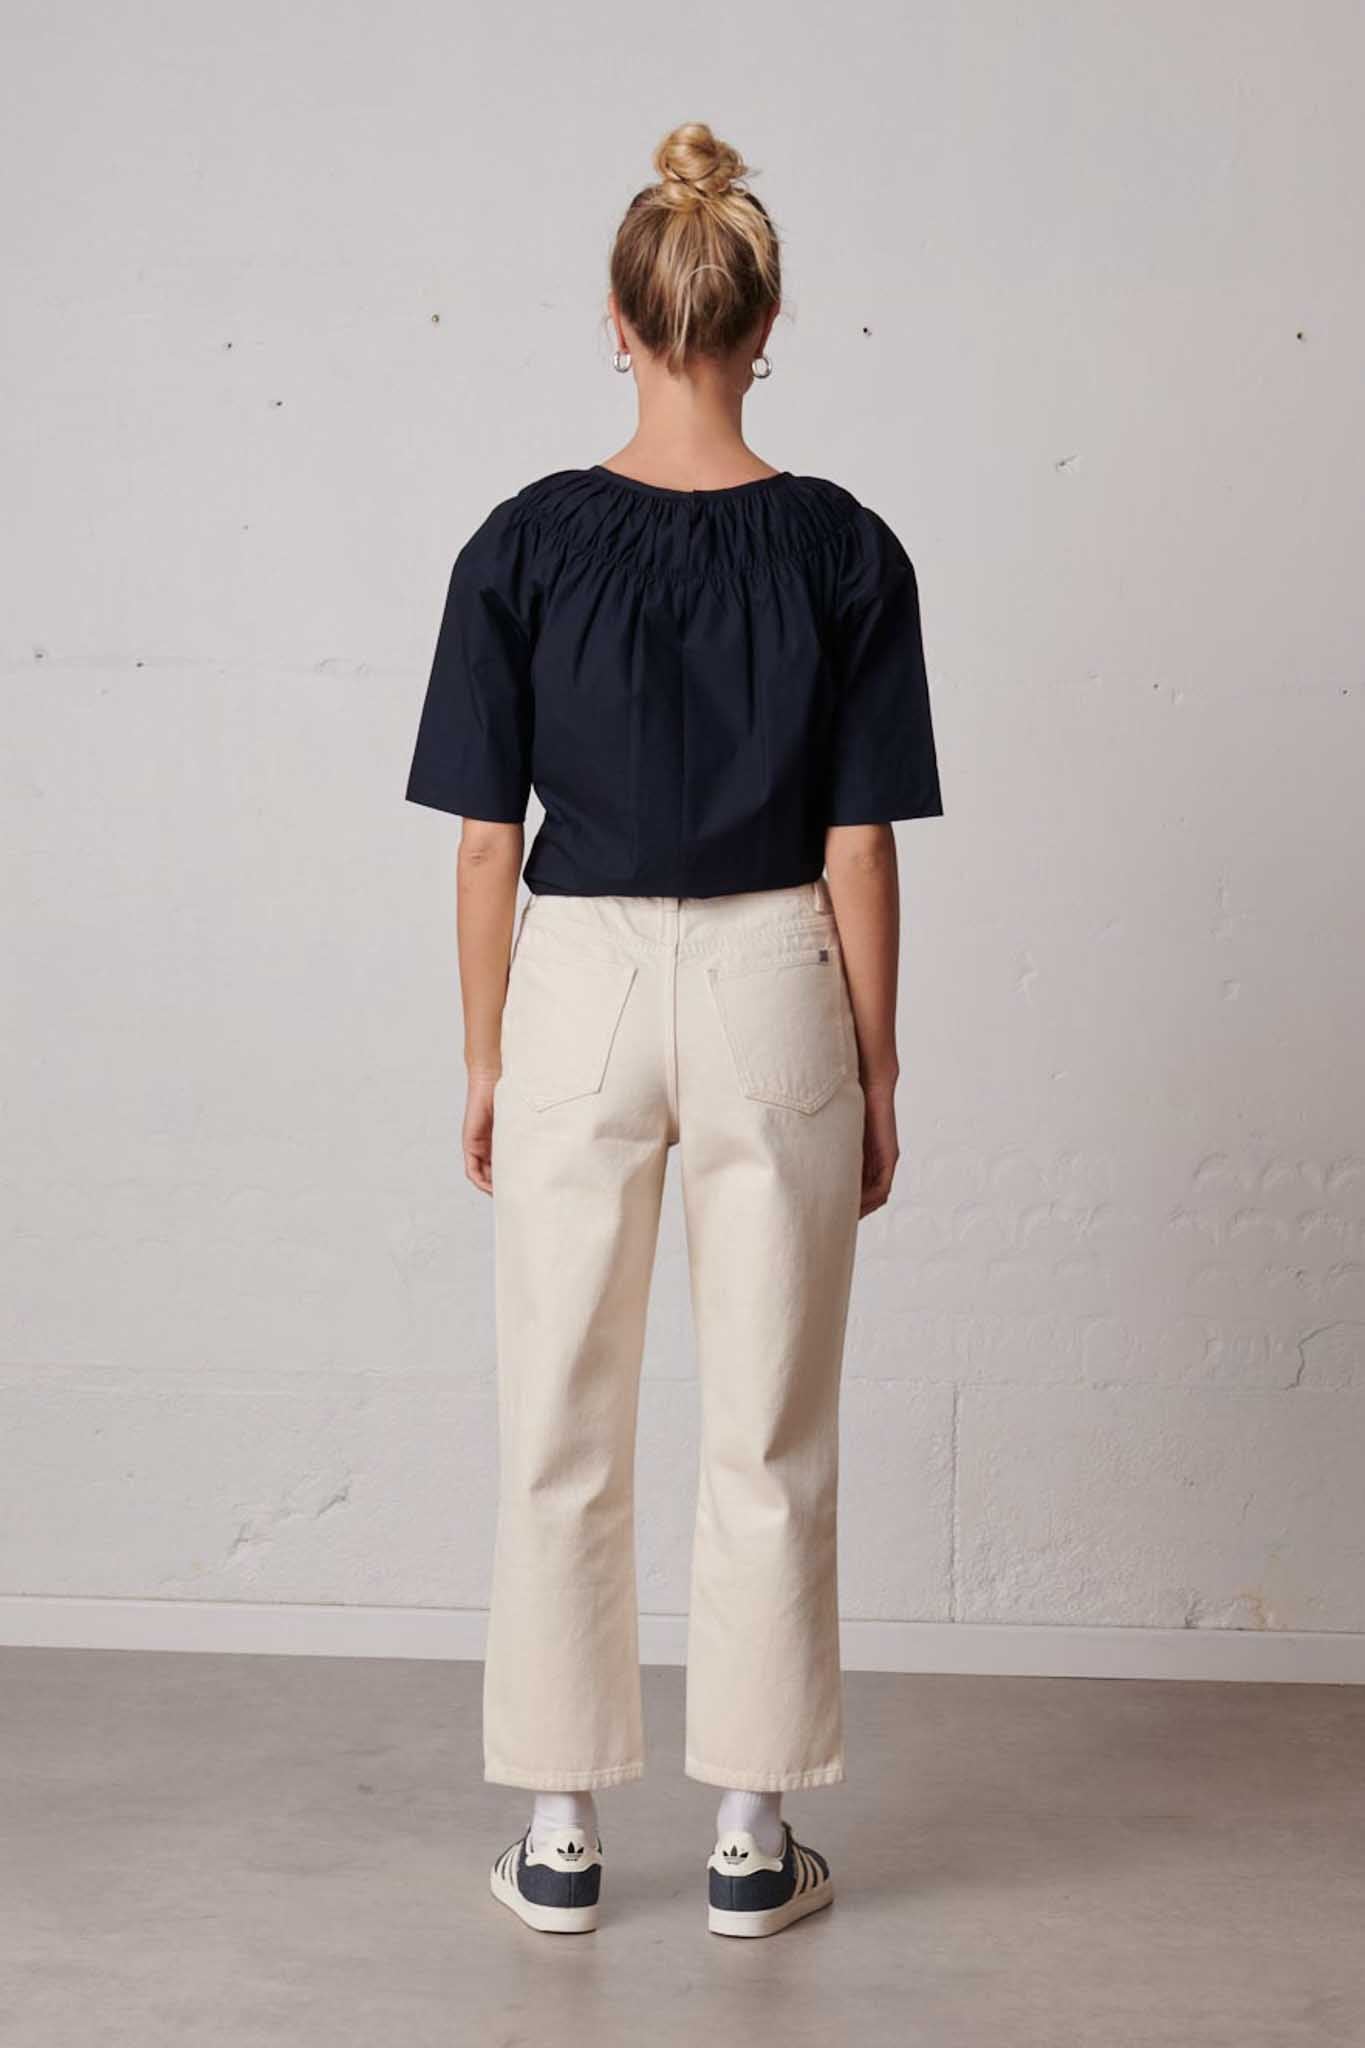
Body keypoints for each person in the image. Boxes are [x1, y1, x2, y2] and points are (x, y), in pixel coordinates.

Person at [405, 120, 942, 1939]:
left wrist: (488, 1054)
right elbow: (857, 842)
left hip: (575, 973)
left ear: (618, 322)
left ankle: (559, 1833)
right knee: (767, 1420)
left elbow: (485, 841)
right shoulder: (844, 548)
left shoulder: (523, 543)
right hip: (776, 969)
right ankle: (745, 1838)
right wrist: (875, 1065)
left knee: (558, 1406)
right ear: (764, 323)